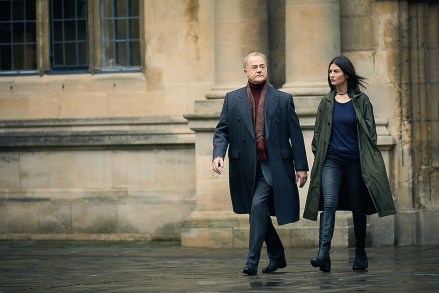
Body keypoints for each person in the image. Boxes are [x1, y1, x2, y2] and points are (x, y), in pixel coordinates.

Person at [212, 52, 309, 276]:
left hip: (272, 167)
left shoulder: (283, 99)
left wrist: (301, 166)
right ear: (245, 71)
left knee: (256, 207)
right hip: (244, 168)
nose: (259, 70)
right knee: (257, 212)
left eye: (262, 66)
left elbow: (296, 134)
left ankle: (251, 262)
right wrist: (218, 154)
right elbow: (222, 131)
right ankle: (277, 254)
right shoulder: (232, 98)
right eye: (254, 67)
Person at [303, 56, 396, 273]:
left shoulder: (361, 101)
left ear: (346, 74)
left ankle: (360, 253)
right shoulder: (326, 102)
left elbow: (371, 134)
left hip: (355, 160)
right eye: (330, 72)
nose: (331, 75)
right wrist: (323, 154)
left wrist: (362, 156)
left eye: (335, 71)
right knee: (328, 203)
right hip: (332, 160)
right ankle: (323, 253)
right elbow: (317, 136)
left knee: (358, 206)